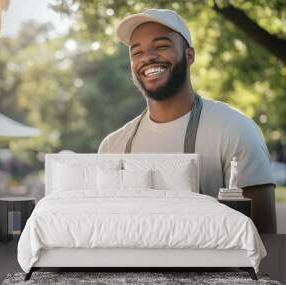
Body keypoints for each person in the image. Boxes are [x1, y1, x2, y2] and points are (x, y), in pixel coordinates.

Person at [98, 8, 277, 233]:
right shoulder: (112, 147)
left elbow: (264, 238)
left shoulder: (235, 130)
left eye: (161, 46)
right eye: (137, 52)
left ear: (189, 55)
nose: (147, 57)